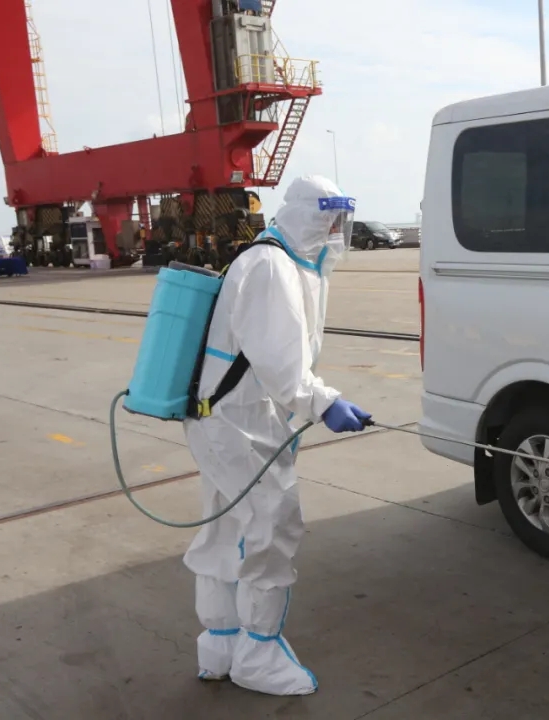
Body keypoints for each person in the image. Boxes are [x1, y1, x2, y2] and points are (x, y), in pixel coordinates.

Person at [182, 175, 370, 696]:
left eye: (341, 221)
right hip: (239, 427)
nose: (336, 231)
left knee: (225, 528)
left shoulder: (276, 260)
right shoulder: (272, 268)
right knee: (271, 526)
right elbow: (283, 369)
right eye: (330, 219)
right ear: (309, 215)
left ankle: (220, 644)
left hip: (224, 421)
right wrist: (324, 403)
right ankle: (259, 655)